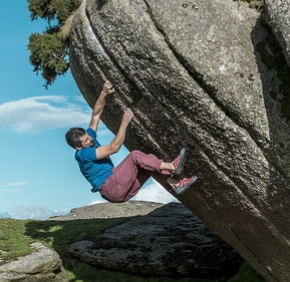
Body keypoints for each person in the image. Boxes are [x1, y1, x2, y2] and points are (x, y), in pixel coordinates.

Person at [66, 80, 198, 203]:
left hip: (117, 191)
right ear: (78, 147)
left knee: (149, 162)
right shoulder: (83, 155)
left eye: (88, 137)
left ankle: (176, 184)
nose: (90, 139)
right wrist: (124, 123)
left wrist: (103, 93)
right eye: (86, 141)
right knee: (135, 156)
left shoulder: (88, 140)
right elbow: (114, 148)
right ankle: (172, 167)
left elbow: (96, 115)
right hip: (111, 187)